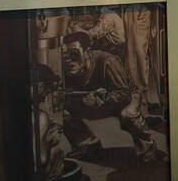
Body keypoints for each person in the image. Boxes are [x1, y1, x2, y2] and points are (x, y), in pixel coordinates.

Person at [61, 30, 165, 164]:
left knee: (127, 114)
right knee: (60, 110)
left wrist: (103, 99)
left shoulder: (107, 61)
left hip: (125, 97)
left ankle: (147, 146)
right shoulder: (67, 69)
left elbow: (124, 93)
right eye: (65, 55)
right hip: (93, 101)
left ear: (87, 52)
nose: (69, 59)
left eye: (74, 53)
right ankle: (87, 144)